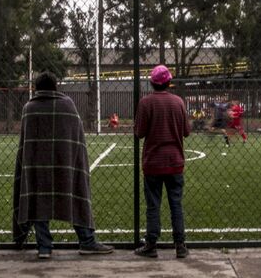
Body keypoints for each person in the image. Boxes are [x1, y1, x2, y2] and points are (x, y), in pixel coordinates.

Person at [13, 72, 114, 259]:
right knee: (76, 195)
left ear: (37, 88)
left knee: (38, 200)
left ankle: (44, 247)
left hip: (37, 165)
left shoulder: (29, 108)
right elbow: (78, 137)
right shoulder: (67, 104)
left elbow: (25, 143)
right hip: (65, 163)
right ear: (55, 86)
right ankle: (87, 241)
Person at [134, 65, 191, 259]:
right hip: (175, 161)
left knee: (153, 205)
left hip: (153, 163)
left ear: (152, 83)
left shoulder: (145, 103)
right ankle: (180, 244)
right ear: (169, 82)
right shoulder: (178, 102)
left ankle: (151, 244)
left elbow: (139, 133)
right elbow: (186, 131)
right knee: (176, 203)